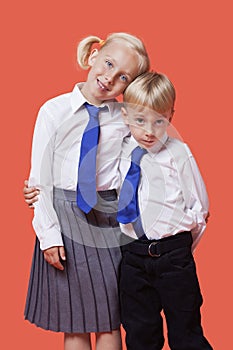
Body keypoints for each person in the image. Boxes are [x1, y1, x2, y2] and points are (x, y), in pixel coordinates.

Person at [23, 32, 150, 350]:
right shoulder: (53, 112)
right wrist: (48, 235)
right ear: (93, 56)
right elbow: (39, 180)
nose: (109, 78)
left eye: (123, 76)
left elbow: (132, 168)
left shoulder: (123, 119)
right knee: (75, 323)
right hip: (63, 217)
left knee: (109, 319)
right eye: (108, 63)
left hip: (106, 221)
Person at [117, 71, 213, 349]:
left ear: (170, 117)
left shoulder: (179, 152)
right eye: (140, 120)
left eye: (159, 121)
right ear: (125, 116)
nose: (149, 131)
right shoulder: (120, 151)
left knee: (186, 331)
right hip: (133, 254)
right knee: (139, 331)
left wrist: (179, 247)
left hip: (173, 254)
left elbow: (200, 206)